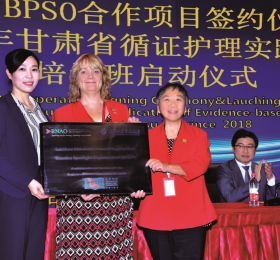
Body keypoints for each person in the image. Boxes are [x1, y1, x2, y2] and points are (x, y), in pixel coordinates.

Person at [52, 53, 145, 260]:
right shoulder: (62, 113)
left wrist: (134, 138)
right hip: (78, 203)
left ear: (103, 77)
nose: (90, 76)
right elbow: (60, 163)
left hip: (115, 203)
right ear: (75, 79)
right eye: (83, 71)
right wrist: (80, 187)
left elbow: (127, 158)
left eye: (96, 70)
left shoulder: (120, 110)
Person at [137, 83, 217, 260]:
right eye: (167, 100)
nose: (173, 104)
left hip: (191, 215)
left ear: (185, 107)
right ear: (158, 107)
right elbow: (136, 171)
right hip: (155, 214)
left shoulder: (199, 135)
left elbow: (199, 165)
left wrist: (166, 167)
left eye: (178, 100)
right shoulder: (145, 137)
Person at [0, 48, 49, 260]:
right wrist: (27, 181)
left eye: (34, 69)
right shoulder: (2, 107)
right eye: (22, 69)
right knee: (12, 252)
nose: (29, 76)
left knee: (33, 252)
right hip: (13, 193)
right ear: (9, 74)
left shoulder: (40, 110)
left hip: (39, 194)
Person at [216, 129, 277, 202]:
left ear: (255, 150)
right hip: (234, 213)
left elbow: (277, 197)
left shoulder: (261, 169)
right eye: (241, 146)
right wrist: (254, 181)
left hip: (259, 213)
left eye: (249, 147)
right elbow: (230, 197)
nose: (245, 151)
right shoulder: (224, 169)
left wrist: (270, 179)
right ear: (233, 149)